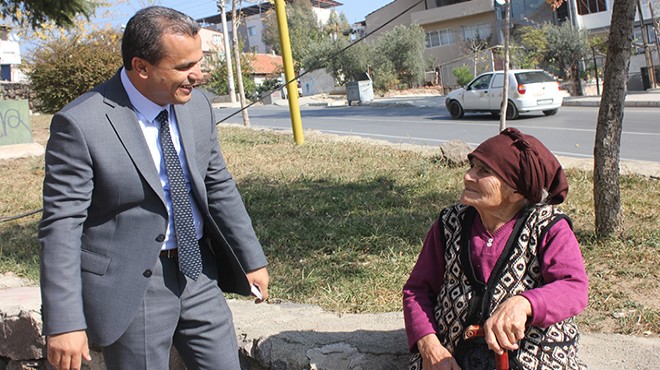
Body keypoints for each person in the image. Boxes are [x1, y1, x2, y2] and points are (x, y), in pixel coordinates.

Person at [38, 6, 269, 370]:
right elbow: (61, 226)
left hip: (199, 273)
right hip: (131, 288)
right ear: (141, 67)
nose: (198, 75)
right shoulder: (81, 123)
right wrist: (65, 320)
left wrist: (251, 258)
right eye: (183, 67)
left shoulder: (197, 107)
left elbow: (217, 183)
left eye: (199, 61)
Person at [403, 128, 589, 370]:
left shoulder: (548, 227)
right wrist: (429, 345)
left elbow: (573, 287)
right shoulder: (449, 224)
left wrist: (524, 304)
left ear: (516, 191)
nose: (468, 176)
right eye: (472, 166)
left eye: (484, 171)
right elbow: (417, 291)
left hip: (532, 355)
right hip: (452, 354)